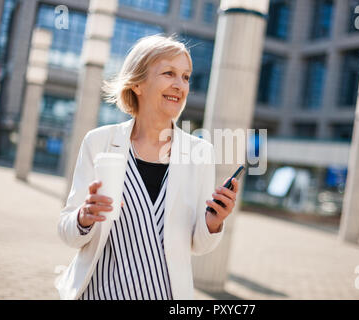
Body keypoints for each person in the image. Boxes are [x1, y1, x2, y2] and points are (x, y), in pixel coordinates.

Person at [56, 35, 239, 300]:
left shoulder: (200, 153)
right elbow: (68, 232)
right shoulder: (99, 142)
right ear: (138, 84)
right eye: (169, 73)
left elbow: (199, 245)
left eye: (186, 77)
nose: (180, 85)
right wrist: (84, 216)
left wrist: (213, 222)